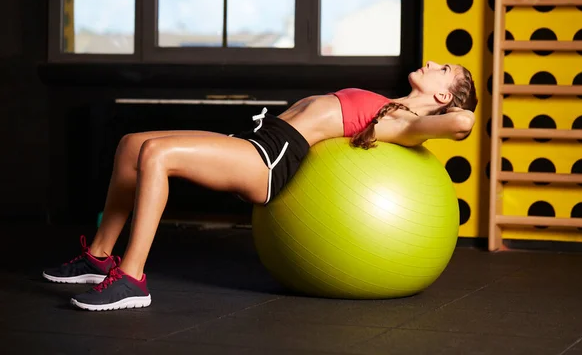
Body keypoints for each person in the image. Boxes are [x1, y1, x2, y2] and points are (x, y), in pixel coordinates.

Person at [42, 60, 478, 311]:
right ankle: (99, 256)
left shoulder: (407, 122)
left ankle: (132, 279)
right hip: (259, 140)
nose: (433, 63)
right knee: (131, 144)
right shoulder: (393, 106)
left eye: (444, 70)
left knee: (157, 155)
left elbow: (463, 121)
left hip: (269, 161)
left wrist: (440, 117)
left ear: (443, 96)